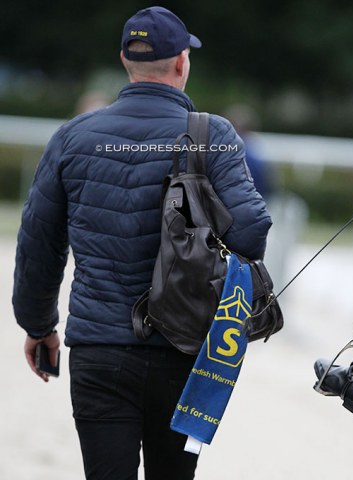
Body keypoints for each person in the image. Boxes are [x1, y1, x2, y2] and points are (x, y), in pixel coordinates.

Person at [12, 6, 272, 480]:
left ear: (124, 61)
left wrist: (37, 324)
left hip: (97, 348)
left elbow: (39, 243)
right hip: (186, 349)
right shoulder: (212, 135)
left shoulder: (72, 136)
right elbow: (251, 233)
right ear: (181, 63)